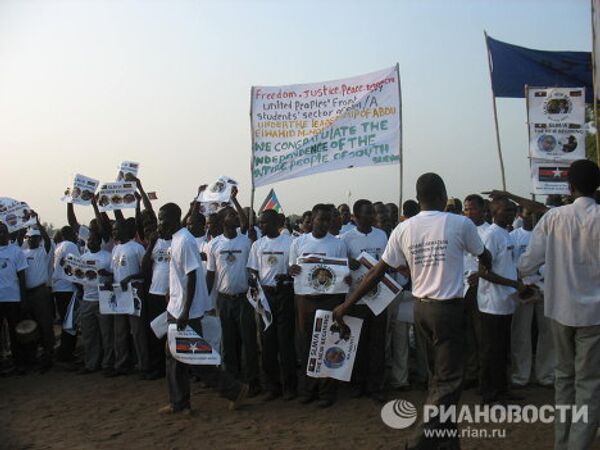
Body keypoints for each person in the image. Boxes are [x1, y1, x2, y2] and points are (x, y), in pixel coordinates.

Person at [333, 173, 491, 449]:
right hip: (448, 310)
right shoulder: (459, 223)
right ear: (444, 196)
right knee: (450, 381)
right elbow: (483, 254)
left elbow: (375, 273)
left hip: (421, 310)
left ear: (418, 200)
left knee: (437, 381)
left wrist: (347, 303)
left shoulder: (403, 229)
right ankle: (418, 443)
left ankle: (447, 442)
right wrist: (486, 261)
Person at [519, 159, 600, 450]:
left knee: (564, 378)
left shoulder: (553, 218)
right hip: (594, 315)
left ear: (570, 186)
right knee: (589, 384)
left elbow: (528, 262)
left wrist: (521, 272)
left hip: (560, 310)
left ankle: (562, 443)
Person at [157, 203, 248, 414]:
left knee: (196, 360)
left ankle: (234, 390)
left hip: (186, 312)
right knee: (174, 357)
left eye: (163, 219)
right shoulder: (177, 240)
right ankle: (179, 402)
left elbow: (191, 276)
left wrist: (185, 311)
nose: (160, 223)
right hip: (176, 307)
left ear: (173, 218)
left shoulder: (185, 241)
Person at [289, 203, 350, 408]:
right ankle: (308, 389)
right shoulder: (299, 242)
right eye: (320, 219)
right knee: (306, 345)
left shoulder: (338, 244)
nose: (324, 223)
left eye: (328, 219)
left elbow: (343, 273)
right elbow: (292, 268)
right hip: (305, 300)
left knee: (327, 343)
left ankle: (326, 392)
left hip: (329, 300)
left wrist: (346, 280)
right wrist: (293, 270)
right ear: (312, 219)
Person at [475, 197, 526, 404]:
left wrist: (519, 283)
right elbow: (483, 272)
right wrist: (513, 284)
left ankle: (502, 389)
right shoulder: (491, 236)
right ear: (494, 211)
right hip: (492, 303)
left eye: (513, 210)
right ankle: (489, 393)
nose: (511, 213)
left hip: (507, 301)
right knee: (491, 349)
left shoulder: (508, 234)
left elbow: (511, 265)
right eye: (506, 210)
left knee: (502, 348)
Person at [206, 206, 260, 396]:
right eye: (231, 215)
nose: (236, 217)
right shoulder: (213, 244)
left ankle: (253, 381)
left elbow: (254, 270)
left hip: (244, 299)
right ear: (223, 220)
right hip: (224, 299)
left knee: (249, 341)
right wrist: (205, 299)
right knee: (228, 343)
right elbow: (210, 274)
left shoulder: (247, 242)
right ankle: (233, 383)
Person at [340, 199, 388, 401]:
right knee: (357, 343)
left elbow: (387, 261)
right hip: (356, 299)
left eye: (372, 213)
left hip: (379, 297)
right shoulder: (346, 238)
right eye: (367, 213)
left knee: (377, 343)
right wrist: (347, 265)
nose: (372, 217)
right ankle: (359, 384)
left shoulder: (382, 235)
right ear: (356, 216)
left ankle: (375, 386)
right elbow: (341, 270)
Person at [247, 209, 296, 401]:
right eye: (260, 222)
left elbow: (295, 268)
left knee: (285, 343)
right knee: (267, 343)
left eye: (265, 222)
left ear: (277, 222)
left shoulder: (290, 242)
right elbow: (253, 270)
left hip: (284, 294)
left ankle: (290, 387)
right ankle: (272, 387)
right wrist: (254, 282)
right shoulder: (258, 245)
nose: (261, 226)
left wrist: (287, 275)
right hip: (265, 296)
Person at [510, 206, 554, 388]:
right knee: (521, 333)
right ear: (521, 215)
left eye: (537, 214)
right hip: (523, 290)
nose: (533, 217)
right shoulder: (513, 237)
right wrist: (524, 282)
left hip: (545, 288)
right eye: (529, 213)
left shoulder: (551, 237)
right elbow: (512, 264)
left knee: (548, 333)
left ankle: (546, 374)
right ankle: (521, 375)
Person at [108, 218, 148, 377]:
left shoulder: (137, 248)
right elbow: (115, 271)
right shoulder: (115, 249)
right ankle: (122, 364)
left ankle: (143, 366)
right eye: (113, 229)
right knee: (120, 331)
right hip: (119, 294)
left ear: (125, 230)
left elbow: (145, 272)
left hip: (134, 292)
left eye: (117, 229)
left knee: (138, 332)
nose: (114, 232)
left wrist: (130, 278)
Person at [461, 194, 491, 389]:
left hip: (482, 288)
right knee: (466, 334)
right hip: (461, 289)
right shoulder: (461, 229)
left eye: (473, 208)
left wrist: (480, 276)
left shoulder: (489, 232)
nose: (469, 212)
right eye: (466, 209)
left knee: (483, 335)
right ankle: (471, 372)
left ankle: (485, 376)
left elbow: (492, 261)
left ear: (482, 210)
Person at [77, 227, 113, 374]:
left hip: (103, 299)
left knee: (106, 334)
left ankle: (108, 364)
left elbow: (114, 274)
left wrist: (108, 274)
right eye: (89, 240)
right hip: (87, 299)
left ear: (99, 241)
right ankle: (91, 364)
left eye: (93, 239)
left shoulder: (107, 256)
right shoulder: (82, 258)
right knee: (89, 334)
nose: (90, 242)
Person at [21, 216, 54, 371]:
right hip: (28, 294)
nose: (32, 240)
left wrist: (38, 223)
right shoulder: (23, 252)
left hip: (41, 292)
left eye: (35, 238)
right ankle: (33, 357)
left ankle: (48, 356)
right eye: (29, 238)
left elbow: (48, 241)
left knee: (45, 324)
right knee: (32, 326)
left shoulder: (43, 251)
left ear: (39, 238)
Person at [0, 222, 28, 372]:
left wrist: (23, 299)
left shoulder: (15, 251)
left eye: (3, 231)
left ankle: (20, 363)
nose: (1, 234)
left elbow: (22, 276)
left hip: (12, 298)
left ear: (8, 233)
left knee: (15, 332)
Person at [51, 225, 80, 363]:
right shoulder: (70, 245)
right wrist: (80, 287)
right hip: (68, 288)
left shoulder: (58, 246)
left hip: (59, 288)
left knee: (65, 322)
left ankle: (65, 352)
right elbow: (74, 267)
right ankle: (66, 354)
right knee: (70, 323)